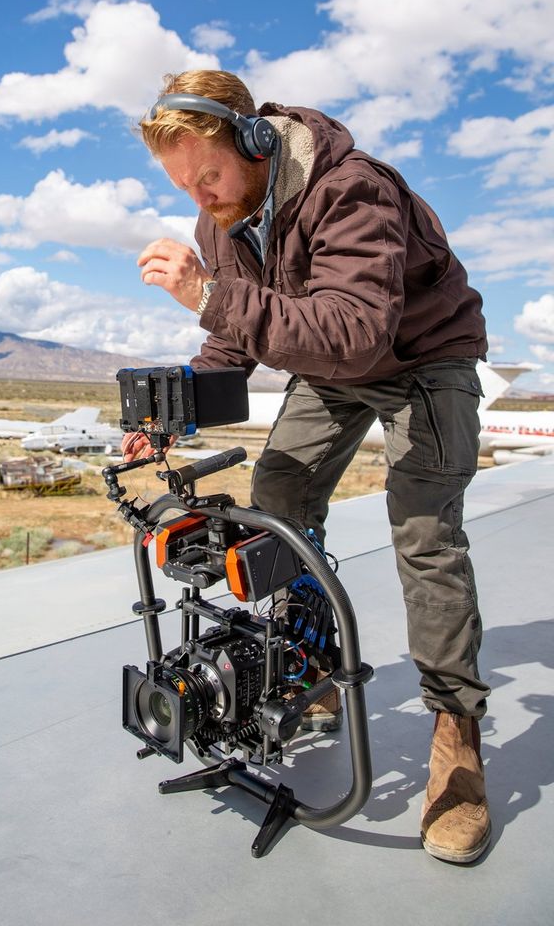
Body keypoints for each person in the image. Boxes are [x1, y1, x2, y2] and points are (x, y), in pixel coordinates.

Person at [127, 68, 491, 864]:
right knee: (281, 493)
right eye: (185, 187)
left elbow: (356, 333)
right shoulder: (221, 223)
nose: (204, 200)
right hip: (336, 365)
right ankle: (313, 662)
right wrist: (172, 403)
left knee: (425, 531)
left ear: (255, 140)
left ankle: (456, 734)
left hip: (425, 356)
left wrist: (207, 296)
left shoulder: (351, 190)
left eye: (210, 176)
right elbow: (234, 342)